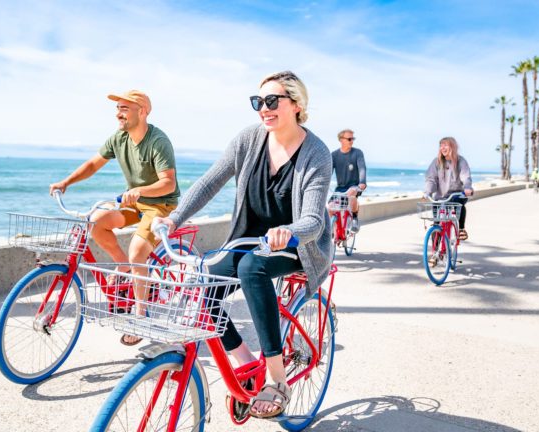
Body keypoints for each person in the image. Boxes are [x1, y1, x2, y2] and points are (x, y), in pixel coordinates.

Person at [152, 71, 332, 419]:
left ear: (296, 105)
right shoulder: (249, 139)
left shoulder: (316, 153)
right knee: (204, 286)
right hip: (246, 239)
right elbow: (210, 181)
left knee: (253, 267)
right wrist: (175, 218)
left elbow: (314, 219)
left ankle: (278, 379)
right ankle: (245, 361)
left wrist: (288, 231)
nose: (263, 109)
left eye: (271, 101)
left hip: (295, 245)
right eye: (258, 102)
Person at [49, 89, 180, 346]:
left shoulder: (158, 141)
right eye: (117, 108)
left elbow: (168, 183)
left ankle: (140, 314)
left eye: (124, 108)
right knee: (96, 222)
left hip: (160, 204)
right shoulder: (119, 138)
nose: (118, 113)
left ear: (142, 112)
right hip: (134, 202)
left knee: (137, 250)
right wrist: (66, 182)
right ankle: (125, 267)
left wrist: (139, 191)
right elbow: (93, 165)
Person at [424, 136, 474, 240]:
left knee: (459, 204)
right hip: (440, 197)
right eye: (441, 145)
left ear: (453, 146)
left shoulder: (461, 161)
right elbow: (431, 179)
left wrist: (467, 188)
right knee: (436, 224)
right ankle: (435, 253)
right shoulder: (436, 162)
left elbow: (466, 176)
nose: (442, 148)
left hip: (457, 194)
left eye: (445, 145)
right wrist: (427, 192)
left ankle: (461, 229)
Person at [331, 129, 366, 232]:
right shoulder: (334, 155)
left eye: (353, 139)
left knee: (352, 196)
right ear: (341, 140)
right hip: (340, 187)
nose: (352, 141)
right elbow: (328, 172)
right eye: (349, 139)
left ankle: (354, 218)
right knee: (330, 208)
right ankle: (330, 232)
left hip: (354, 186)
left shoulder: (357, 153)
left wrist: (362, 182)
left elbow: (362, 168)